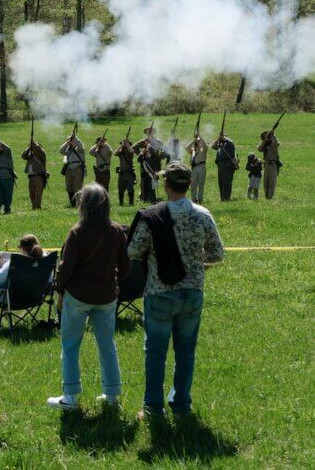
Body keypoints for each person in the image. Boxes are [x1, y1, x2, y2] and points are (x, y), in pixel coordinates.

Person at [127, 162, 225, 418]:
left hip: (159, 292)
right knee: (185, 352)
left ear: (166, 185)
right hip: (193, 292)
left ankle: (153, 408)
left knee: (156, 353)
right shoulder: (203, 215)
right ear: (190, 184)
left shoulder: (152, 217)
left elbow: (133, 251)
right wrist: (195, 261)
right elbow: (217, 253)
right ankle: (181, 405)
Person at [47, 183, 131, 410]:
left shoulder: (77, 232)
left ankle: (71, 396)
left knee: (71, 345)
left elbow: (66, 267)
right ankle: (112, 395)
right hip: (106, 296)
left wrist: (59, 289)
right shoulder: (116, 231)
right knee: (107, 346)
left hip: (78, 296)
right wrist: (112, 283)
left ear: (84, 205)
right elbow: (125, 267)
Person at [0, 235, 44, 321]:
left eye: (19, 247)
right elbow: (49, 281)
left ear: (22, 248)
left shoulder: (14, 263)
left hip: (12, 300)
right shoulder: (44, 262)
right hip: (35, 298)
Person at [59, 132, 85, 207]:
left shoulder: (79, 149)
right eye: (70, 140)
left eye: (71, 140)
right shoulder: (68, 149)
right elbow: (61, 150)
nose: (71, 142)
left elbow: (81, 146)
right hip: (69, 168)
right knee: (69, 187)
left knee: (77, 187)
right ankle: (72, 204)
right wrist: (67, 143)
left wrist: (75, 138)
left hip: (77, 168)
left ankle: (79, 204)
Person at [22, 139, 48, 210]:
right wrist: (29, 147)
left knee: (38, 193)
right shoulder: (30, 155)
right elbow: (23, 155)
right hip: (31, 176)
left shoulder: (42, 154)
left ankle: (37, 207)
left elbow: (41, 151)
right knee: (32, 193)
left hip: (39, 176)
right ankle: (33, 206)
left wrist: (35, 145)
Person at [211, 132, 238, 202]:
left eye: (223, 137)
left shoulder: (230, 145)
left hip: (228, 165)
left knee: (227, 182)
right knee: (221, 182)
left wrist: (224, 137)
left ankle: (227, 198)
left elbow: (231, 142)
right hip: (220, 165)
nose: (222, 138)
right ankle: (222, 198)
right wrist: (218, 138)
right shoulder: (220, 145)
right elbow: (213, 146)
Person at [257, 130, 281, 200]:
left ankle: (271, 197)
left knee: (272, 182)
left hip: (273, 164)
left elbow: (277, 144)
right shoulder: (264, 144)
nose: (266, 137)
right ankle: (266, 197)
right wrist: (265, 141)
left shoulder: (274, 142)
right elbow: (259, 149)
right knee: (266, 182)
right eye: (265, 136)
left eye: (267, 136)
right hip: (266, 164)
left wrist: (273, 136)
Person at [113, 137, 136, 206]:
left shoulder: (130, 152)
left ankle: (131, 203)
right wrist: (121, 145)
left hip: (129, 173)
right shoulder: (121, 152)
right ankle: (121, 203)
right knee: (120, 189)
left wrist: (127, 143)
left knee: (130, 189)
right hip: (122, 173)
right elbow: (114, 153)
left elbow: (131, 151)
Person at [186, 134, 208, 204]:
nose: (198, 142)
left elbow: (204, 144)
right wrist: (193, 140)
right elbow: (187, 148)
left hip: (201, 166)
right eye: (197, 141)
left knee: (201, 184)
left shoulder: (203, 149)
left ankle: (200, 198)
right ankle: (194, 198)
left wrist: (200, 137)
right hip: (194, 167)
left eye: (199, 141)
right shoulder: (193, 150)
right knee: (193, 184)